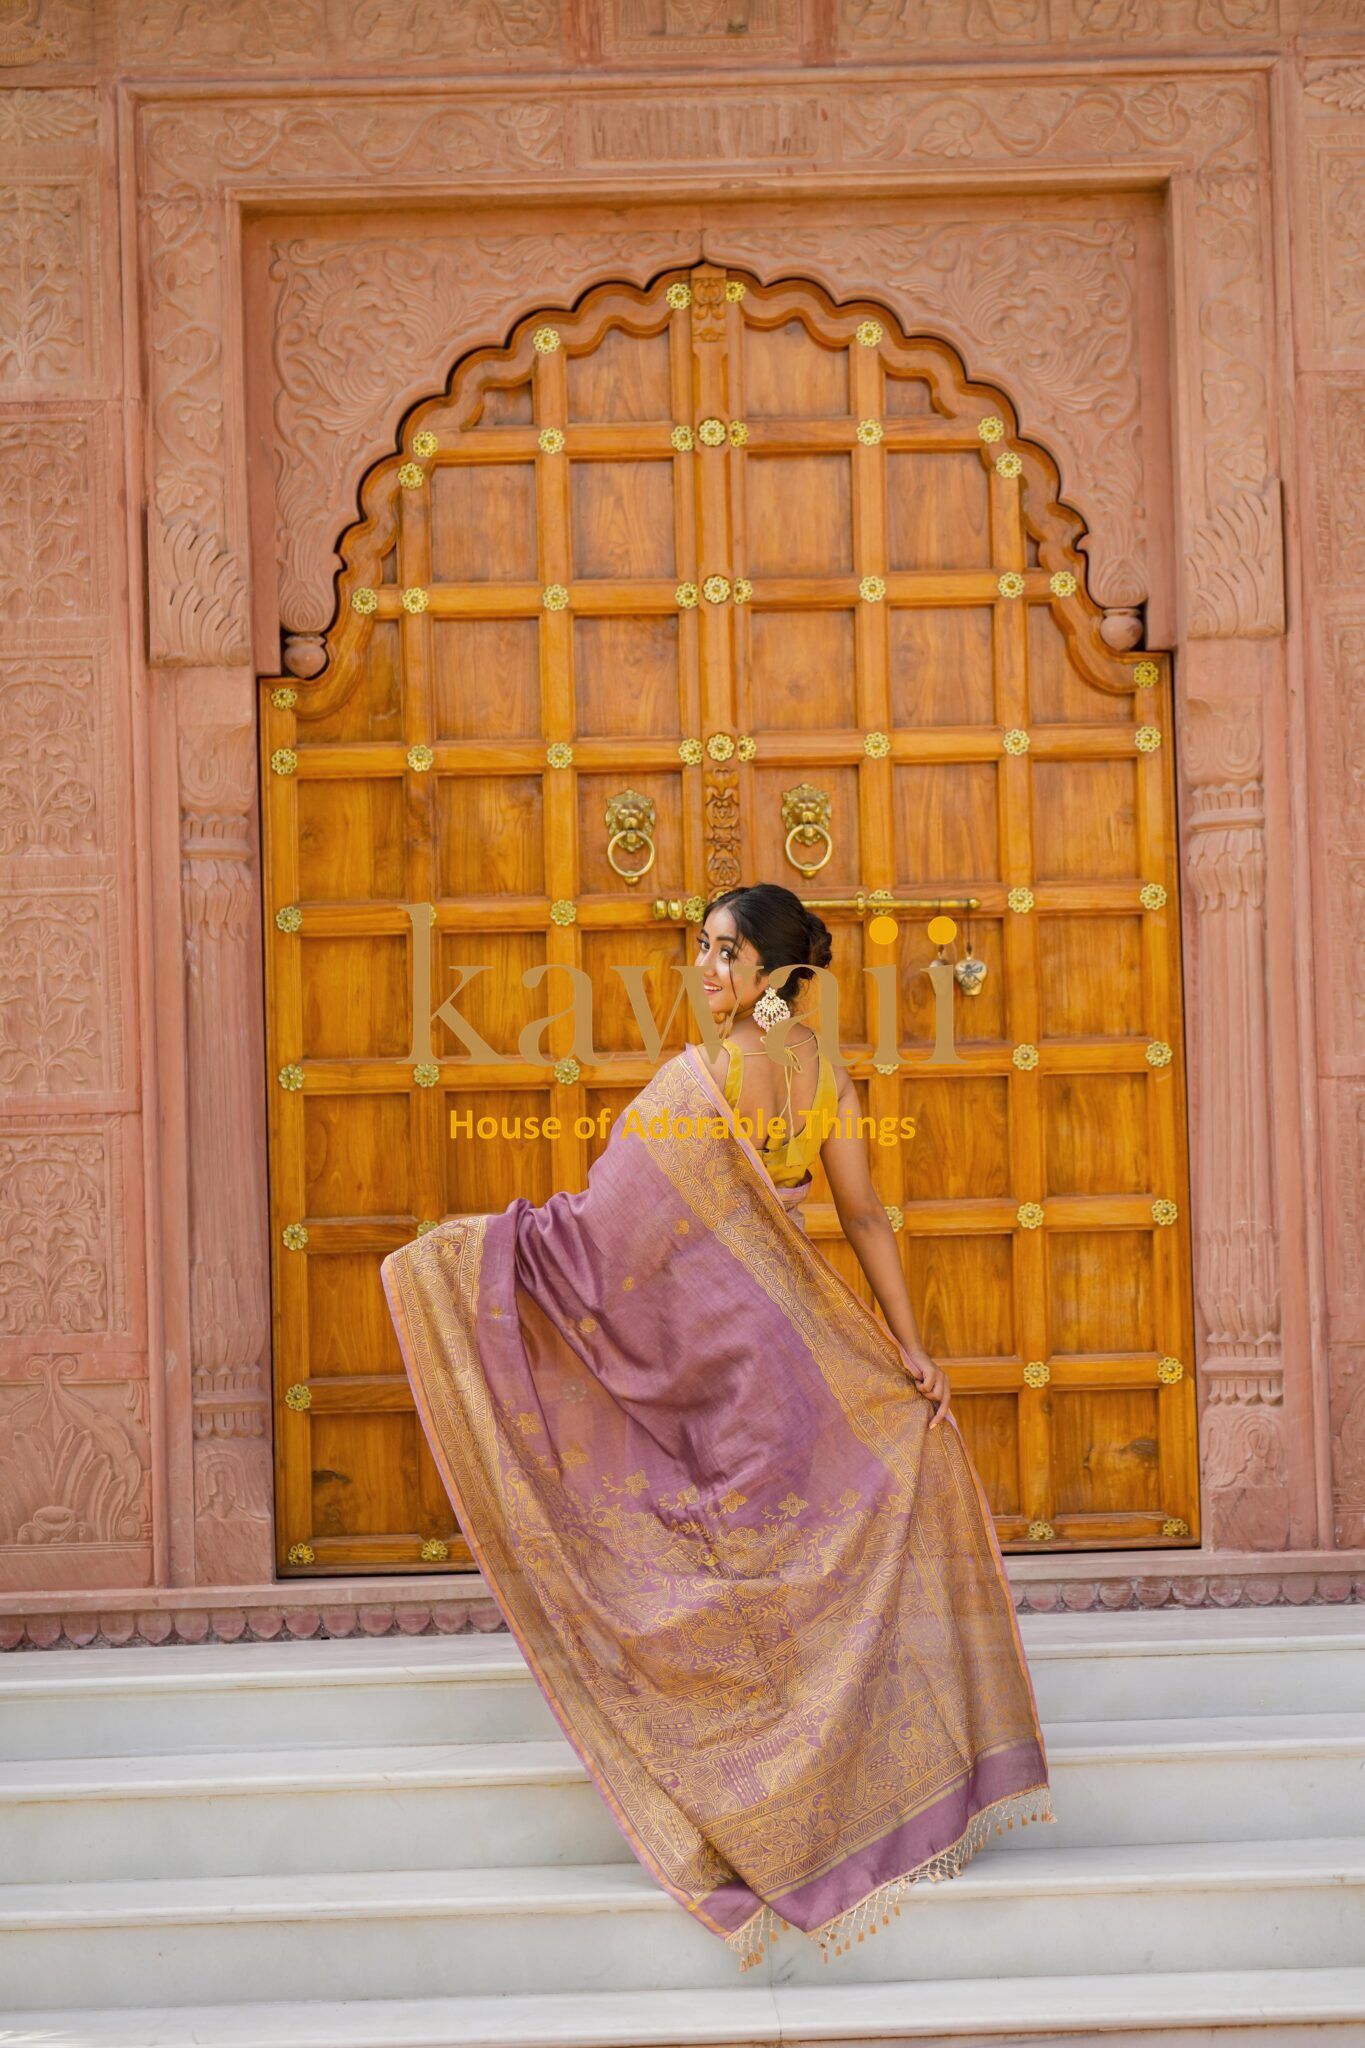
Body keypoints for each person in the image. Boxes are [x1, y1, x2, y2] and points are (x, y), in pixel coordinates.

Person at [382, 881, 1051, 1972]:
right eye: (701, 948)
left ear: (778, 973)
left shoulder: (699, 1080)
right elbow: (865, 1217)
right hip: (784, 1353)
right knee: (810, 1557)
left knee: (742, 1567)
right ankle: (850, 1798)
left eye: (727, 953)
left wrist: (482, 1261)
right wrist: (909, 1345)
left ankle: (768, 1806)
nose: (705, 969)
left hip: (718, 1357)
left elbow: (604, 1240)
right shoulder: (824, 1075)